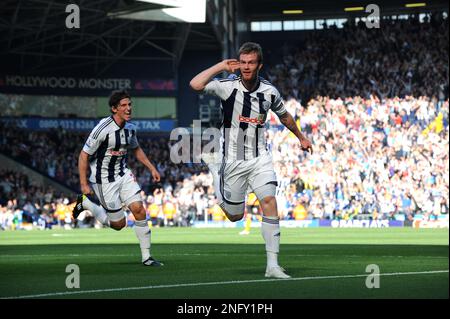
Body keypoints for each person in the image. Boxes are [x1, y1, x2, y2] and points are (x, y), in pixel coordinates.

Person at [190, 42, 312, 279]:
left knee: (268, 200)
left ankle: (273, 265)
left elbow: (284, 115)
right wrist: (221, 66)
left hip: (259, 157)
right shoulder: (227, 86)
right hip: (233, 160)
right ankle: (216, 170)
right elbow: (195, 84)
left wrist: (301, 137)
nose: (246, 67)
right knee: (236, 216)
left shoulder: (269, 91)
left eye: (251, 63)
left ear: (259, 65)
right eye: (243, 62)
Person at [72, 90, 163, 266]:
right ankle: (87, 203)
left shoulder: (130, 128)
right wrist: (83, 183)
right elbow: (84, 155)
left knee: (139, 210)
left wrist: (152, 168)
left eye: (130, 105)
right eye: (123, 105)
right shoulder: (102, 129)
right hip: (103, 179)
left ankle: (147, 258)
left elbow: (136, 150)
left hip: (123, 174)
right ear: (114, 109)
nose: (128, 108)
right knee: (119, 224)